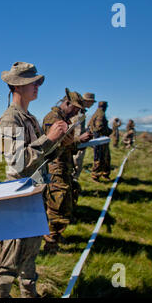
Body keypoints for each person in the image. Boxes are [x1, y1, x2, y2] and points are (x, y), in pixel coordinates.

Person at [0, 62, 67, 298]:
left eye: (38, 82)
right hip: (16, 198)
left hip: (33, 195)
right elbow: (20, 162)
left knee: (29, 257)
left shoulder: (29, 118)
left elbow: (42, 156)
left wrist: (61, 139)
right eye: (33, 82)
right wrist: (49, 138)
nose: (38, 87)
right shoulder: (10, 120)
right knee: (7, 263)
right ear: (17, 86)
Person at [42, 89, 92, 252]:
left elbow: (66, 144)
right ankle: (50, 242)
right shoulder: (53, 119)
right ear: (67, 103)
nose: (77, 112)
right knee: (57, 204)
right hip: (55, 168)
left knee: (64, 202)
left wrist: (77, 141)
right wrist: (78, 139)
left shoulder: (63, 119)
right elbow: (52, 146)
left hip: (63, 166)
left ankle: (55, 236)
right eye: (76, 108)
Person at [71, 92, 96, 181]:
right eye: (92, 102)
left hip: (78, 142)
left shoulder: (81, 112)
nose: (92, 104)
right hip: (78, 144)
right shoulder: (79, 113)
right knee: (76, 164)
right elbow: (76, 130)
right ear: (86, 101)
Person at [88, 101, 112, 181]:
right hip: (100, 140)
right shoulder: (100, 114)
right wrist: (109, 131)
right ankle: (96, 175)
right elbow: (99, 127)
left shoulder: (96, 113)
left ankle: (104, 173)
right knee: (100, 158)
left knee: (104, 158)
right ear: (104, 106)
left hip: (99, 140)